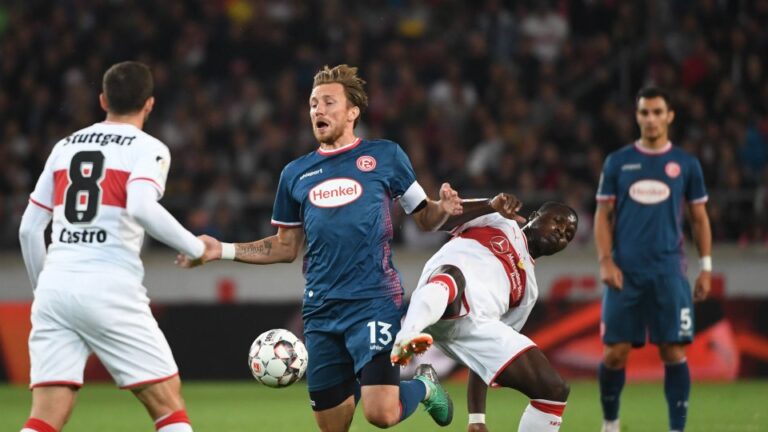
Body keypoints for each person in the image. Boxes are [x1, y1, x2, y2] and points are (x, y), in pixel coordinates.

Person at [178, 64, 478, 431]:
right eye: (313, 104)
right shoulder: (295, 174)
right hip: (321, 311)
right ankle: (362, 377)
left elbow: (425, 218)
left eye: (328, 102)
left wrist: (442, 208)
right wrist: (220, 250)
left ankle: (424, 385)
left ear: (352, 112)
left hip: (373, 300)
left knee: (381, 413)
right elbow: (285, 247)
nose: (318, 110)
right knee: (333, 426)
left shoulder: (386, 156)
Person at [18, 61, 209, 432]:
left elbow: (29, 230)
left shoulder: (64, 147)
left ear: (103, 100)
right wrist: (197, 248)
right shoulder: (148, 148)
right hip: (109, 285)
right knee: (168, 406)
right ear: (149, 104)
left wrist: (46, 291)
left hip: (55, 286)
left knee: (44, 417)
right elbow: (141, 207)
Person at [391, 200, 578, 432]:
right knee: (453, 276)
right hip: (442, 294)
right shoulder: (500, 220)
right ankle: (406, 336)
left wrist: (476, 418)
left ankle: (409, 337)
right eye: (558, 221)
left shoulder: (529, 292)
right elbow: (439, 221)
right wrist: (490, 205)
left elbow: (488, 356)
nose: (561, 232)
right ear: (534, 216)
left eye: (568, 235)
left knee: (554, 390)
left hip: (475, 328)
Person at [594, 86, 712, 432]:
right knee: (614, 353)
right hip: (625, 271)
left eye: (657, 112)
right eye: (644, 112)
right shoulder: (617, 162)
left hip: (669, 271)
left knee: (673, 351)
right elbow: (603, 215)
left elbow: (699, 218)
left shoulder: (686, 164)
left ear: (669, 116)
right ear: (637, 116)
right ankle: (610, 423)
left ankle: (677, 428)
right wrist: (605, 260)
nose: (651, 118)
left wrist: (706, 267)